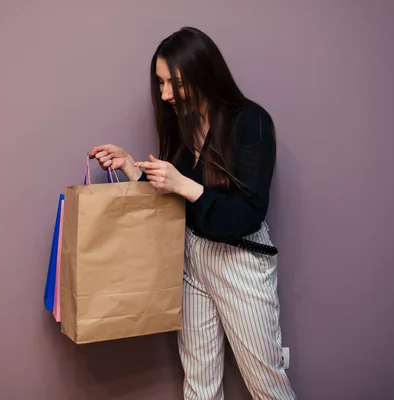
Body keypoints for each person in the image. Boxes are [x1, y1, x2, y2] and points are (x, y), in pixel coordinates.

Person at [89, 26, 296, 400]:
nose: (166, 94)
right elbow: (174, 204)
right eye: (161, 83)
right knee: (199, 385)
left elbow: (248, 213)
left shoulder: (251, 121)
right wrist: (131, 168)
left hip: (240, 260)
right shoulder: (183, 124)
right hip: (191, 257)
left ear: (204, 75)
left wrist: (184, 184)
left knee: (267, 385)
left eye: (175, 83)